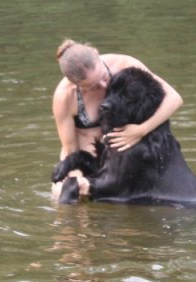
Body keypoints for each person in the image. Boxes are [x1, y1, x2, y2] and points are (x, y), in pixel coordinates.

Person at [52, 39, 183, 194]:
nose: (104, 86)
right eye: (93, 87)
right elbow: (70, 150)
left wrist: (140, 130)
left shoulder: (125, 64)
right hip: (88, 159)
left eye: (104, 77)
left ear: (96, 54)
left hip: (123, 160)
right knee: (63, 194)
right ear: (74, 84)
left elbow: (174, 99)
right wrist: (77, 179)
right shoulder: (64, 97)